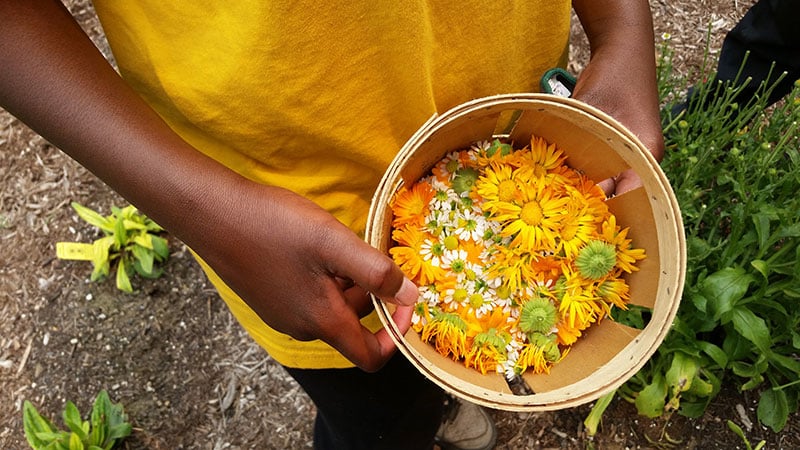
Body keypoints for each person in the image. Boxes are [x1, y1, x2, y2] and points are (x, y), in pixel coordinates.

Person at [0, 1, 664, 448]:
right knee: (374, 414)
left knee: (438, 373)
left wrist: (624, 28)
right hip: (288, 220)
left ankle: (442, 402)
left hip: (513, 142)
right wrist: (205, 211)